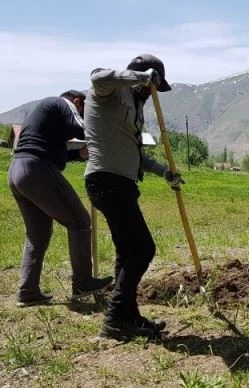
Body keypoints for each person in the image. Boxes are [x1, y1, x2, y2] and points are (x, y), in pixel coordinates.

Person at [83, 54, 183, 340]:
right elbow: (97, 76)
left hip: (122, 183)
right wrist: (141, 77)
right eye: (152, 88)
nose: (151, 95)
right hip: (106, 181)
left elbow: (135, 154)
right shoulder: (109, 92)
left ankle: (128, 317)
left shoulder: (135, 108)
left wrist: (165, 172)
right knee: (143, 249)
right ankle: (114, 318)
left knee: (127, 252)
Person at [7, 90, 114, 307]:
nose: (82, 113)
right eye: (83, 109)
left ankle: (28, 292)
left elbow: (55, 151)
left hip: (18, 171)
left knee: (38, 234)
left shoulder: (45, 114)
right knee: (81, 222)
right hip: (37, 169)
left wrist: (79, 154)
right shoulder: (62, 104)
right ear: (77, 102)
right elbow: (82, 127)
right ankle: (82, 282)